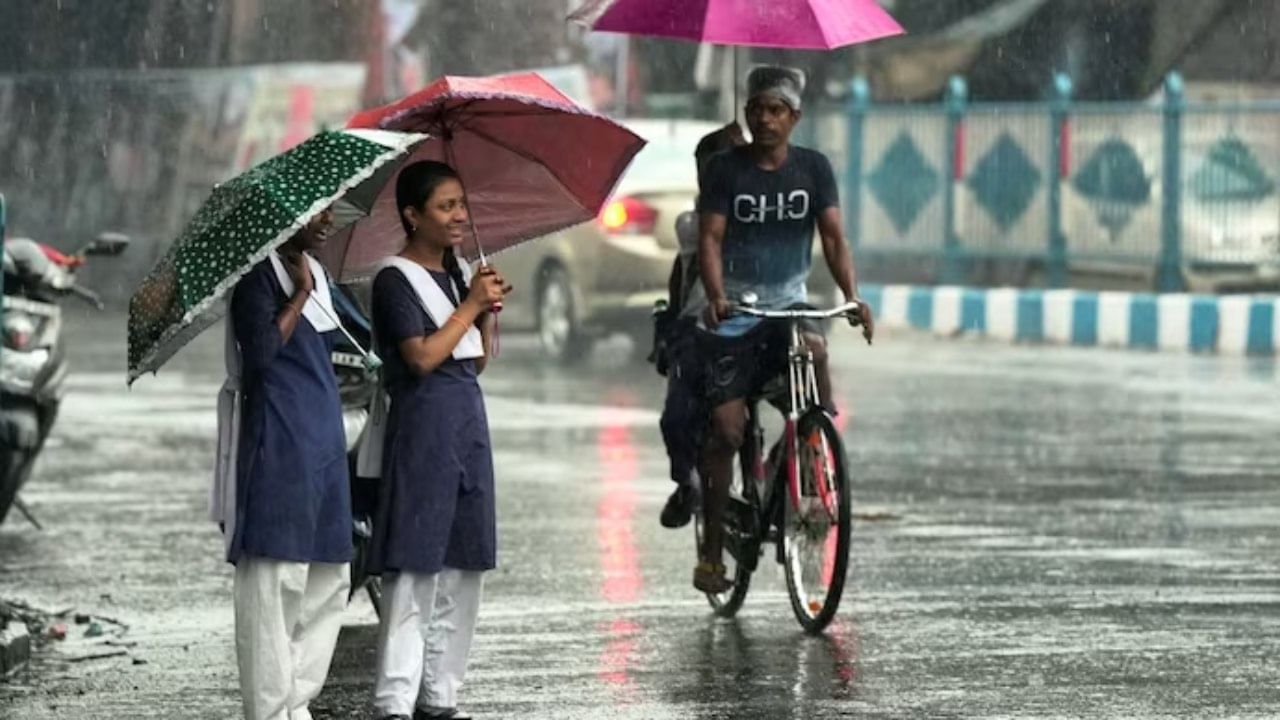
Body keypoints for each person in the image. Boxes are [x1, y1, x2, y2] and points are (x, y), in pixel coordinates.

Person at [692, 66, 875, 594]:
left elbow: (835, 240)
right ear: (747, 113)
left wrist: (851, 296)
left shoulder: (814, 169)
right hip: (734, 316)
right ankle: (710, 555)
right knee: (726, 431)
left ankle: (810, 446)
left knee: (815, 354)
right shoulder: (726, 170)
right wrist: (717, 294)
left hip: (788, 307)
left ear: (795, 117)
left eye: (776, 109)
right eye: (757, 109)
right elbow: (709, 239)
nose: (765, 118)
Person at [366, 160, 509, 720]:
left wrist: (486, 312)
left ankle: (441, 694)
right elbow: (421, 357)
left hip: (467, 422)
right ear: (411, 214)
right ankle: (395, 700)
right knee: (416, 564)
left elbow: (472, 363)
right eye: (445, 206)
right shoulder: (393, 278)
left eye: (460, 205)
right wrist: (470, 306)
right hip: (424, 425)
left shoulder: (458, 273)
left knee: (465, 563)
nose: (458, 216)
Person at [218, 207, 353, 720]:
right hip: (278, 440)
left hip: (322, 442)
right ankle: (270, 710)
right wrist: (297, 295)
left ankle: (298, 701)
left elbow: (349, 338)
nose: (327, 221)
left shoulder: (319, 274)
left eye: (331, 210)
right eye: (315, 214)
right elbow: (261, 355)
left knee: (329, 576)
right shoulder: (257, 278)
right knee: (275, 582)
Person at [657, 122, 746, 529]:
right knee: (679, 412)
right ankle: (686, 481)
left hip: (760, 324)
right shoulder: (693, 224)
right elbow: (683, 274)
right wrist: (672, 324)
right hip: (702, 328)